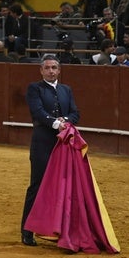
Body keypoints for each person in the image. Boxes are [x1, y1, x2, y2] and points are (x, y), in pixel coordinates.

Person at [21, 54, 80, 246]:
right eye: (47, 68)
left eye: (54, 67)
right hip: (42, 145)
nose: (51, 71)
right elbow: (37, 112)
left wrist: (67, 120)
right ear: (41, 70)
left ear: (59, 70)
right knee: (37, 186)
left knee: (62, 188)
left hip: (63, 146)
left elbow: (75, 113)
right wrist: (56, 123)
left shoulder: (66, 90)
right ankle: (27, 231)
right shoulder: (34, 88)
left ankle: (57, 229)